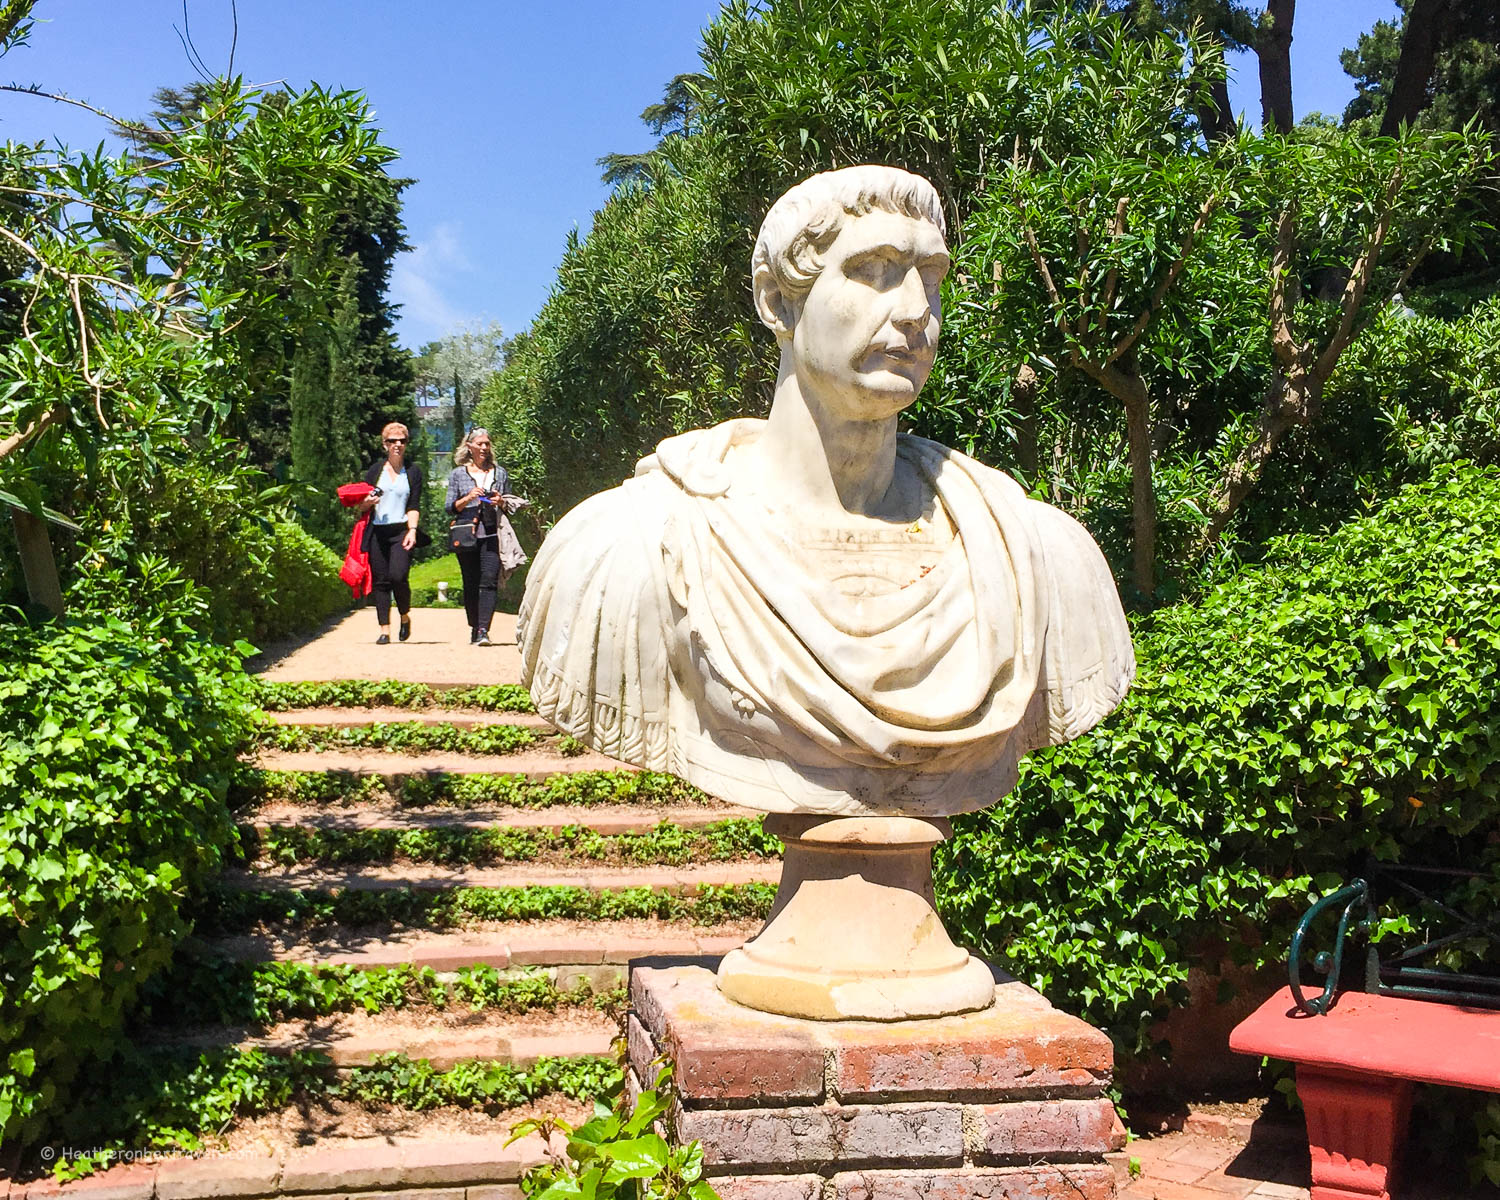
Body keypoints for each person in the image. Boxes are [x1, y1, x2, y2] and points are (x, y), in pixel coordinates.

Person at [517, 165, 1134, 817]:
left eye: (931, 280)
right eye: (875, 272)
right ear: (777, 301)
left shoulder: (1035, 556)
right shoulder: (632, 550)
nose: (916, 312)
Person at [357, 421, 424, 644]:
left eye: (402, 441)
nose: (397, 445)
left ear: (406, 444)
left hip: (401, 531)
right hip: (377, 531)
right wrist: (368, 502)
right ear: (384, 444)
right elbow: (361, 506)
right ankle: (384, 629)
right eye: (392, 441)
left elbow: (414, 504)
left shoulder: (413, 472)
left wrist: (412, 531)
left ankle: (404, 616)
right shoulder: (375, 471)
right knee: (381, 581)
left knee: (398, 576)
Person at [445, 427, 510, 645]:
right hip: (467, 535)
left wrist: (500, 501)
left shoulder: (499, 473)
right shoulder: (458, 475)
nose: (484, 447)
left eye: (487, 444)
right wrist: (469, 497)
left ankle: (483, 629)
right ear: (469, 447)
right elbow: (449, 507)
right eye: (480, 444)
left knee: (489, 581)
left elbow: (509, 502)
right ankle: (474, 625)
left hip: (492, 533)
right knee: (471, 582)